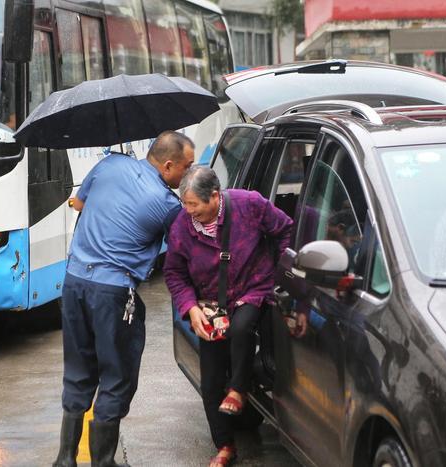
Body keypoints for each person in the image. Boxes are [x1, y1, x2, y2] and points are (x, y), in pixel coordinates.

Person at [52, 131, 195, 467]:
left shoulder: (110, 164)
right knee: (116, 374)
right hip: (113, 293)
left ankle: (64, 459)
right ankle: (103, 462)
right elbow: (182, 251)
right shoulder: (168, 205)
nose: (187, 175)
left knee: (78, 369)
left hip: (73, 283)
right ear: (169, 165)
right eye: (186, 168)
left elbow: (81, 204)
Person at [163, 166, 302, 467]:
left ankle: (238, 389)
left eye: (194, 205)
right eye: (185, 205)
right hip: (212, 304)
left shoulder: (249, 204)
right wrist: (191, 308)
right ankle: (225, 445)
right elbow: (173, 272)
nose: (188, 212)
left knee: (241, 328)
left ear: (214, 196)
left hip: (253, 289)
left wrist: (282, 275)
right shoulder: (182, 225)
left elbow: (285, 230)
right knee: (211, 382)